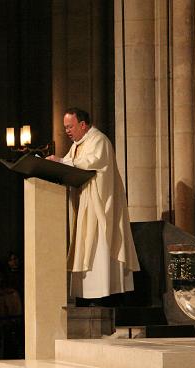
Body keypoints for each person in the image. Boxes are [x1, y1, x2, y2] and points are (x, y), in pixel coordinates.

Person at [50, 107, 140, 304]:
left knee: (98, 249)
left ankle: (104, 296)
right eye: (65, 127)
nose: (67, 131)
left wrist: (61, 163)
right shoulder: (78, 145)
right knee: (85, 246)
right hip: (84, 206)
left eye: (70, 126)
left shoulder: (98, 140)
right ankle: (87, 297)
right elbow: (71, 162)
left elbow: (88, 163)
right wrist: (57, 164)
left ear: (83, 124)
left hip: (99, 209)